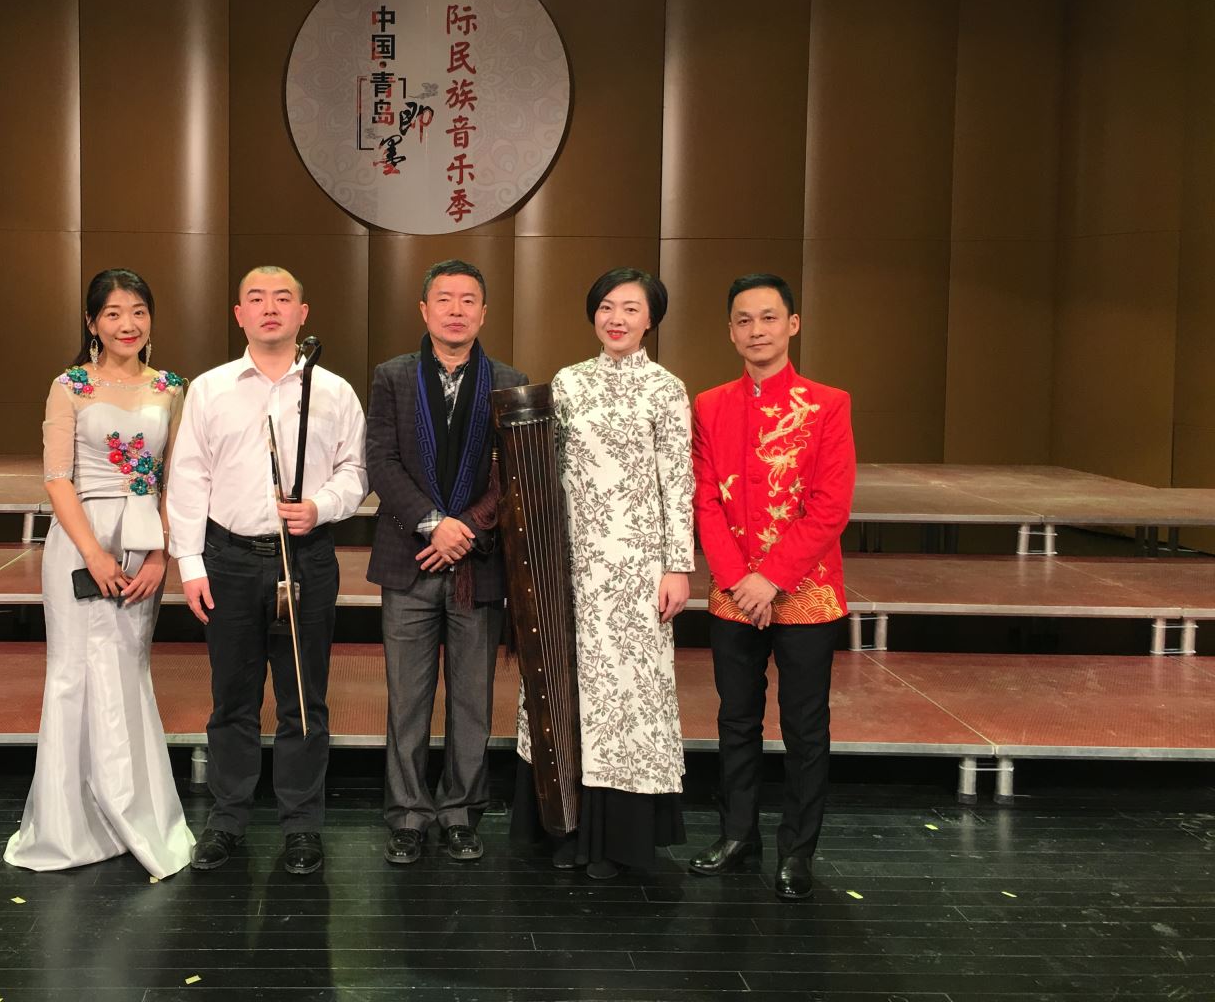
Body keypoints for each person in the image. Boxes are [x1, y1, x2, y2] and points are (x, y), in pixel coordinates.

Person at [166, 266, 368, 875]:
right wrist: (190, 562)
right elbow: (189, 475)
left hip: (307, 558)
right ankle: (227, 820)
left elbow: (355, 472)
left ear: (303, 314)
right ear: (239, 315)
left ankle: (301, 825)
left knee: (303, 698)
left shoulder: (334, 391)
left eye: (284, 298)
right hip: (228, 559)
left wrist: (320, 506)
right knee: (232, 697)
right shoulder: (210, 389)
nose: (270, 307)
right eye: (256, 298)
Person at [5, 268, 197, 877]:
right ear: (92, 323)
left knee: (126, 669)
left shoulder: (172, 387)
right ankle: (71, 825)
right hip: (80, 538)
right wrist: (91, 551)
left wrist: (161, 554)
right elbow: (56, 478)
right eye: (113, 313)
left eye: (138, 311)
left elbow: (175, 479)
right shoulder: (69, 386)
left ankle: (131, 812)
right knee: (73, 674)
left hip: (144, 539)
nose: (127, 324)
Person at [512, 268, 694, 878]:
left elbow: (678, 482)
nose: (617, 319)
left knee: (627, 695)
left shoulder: (666, 389)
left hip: (637, 569)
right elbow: (546, 471)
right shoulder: (568, 383)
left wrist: (677, 565)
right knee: (567, 687)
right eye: (607, 307)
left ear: (651, 320)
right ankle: (564, 823)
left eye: (631, 309)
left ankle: (619, 841)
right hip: (569, 567)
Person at [688, 273, 855, 901]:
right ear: (730, 331)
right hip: (735, 590)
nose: (756, 330)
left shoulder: (828, 404)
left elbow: (831, 505)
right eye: (743, 320)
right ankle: (738, 835)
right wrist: (739, 579)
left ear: (793, 325)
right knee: (736, 718)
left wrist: (772, 578)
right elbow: (705, 500)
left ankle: (797, 851)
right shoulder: (710, 405)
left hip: (806, 587)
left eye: (768, 317)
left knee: (805, 726)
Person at [366, 259, 527, 865]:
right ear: (424, 309)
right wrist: (435, 523)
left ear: (483, 312)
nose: (455, 310)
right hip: (409, 556)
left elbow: (513, 472)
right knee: (406, 699)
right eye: (444, 299)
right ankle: (409, 815)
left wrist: (467, 528)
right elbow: (381, 462)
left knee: (471, 700)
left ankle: (460, 812)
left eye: (467, 300)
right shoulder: (392, 376)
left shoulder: (509, 380)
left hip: (477, 562)